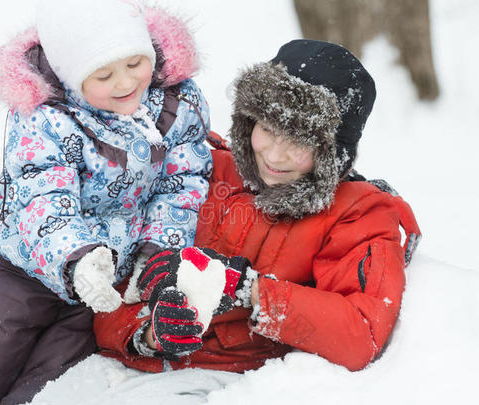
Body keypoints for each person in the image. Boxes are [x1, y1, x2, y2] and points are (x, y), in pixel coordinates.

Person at [0, 1, 211, 403]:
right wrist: (77, 257)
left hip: (101, 279)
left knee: (52, 380)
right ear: (72, 76)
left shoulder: (176, 105)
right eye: (103, 74)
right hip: (22, 268)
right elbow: (44, 195)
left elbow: (182, 182)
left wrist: (156, 251)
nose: (125, 82)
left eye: (136, 62)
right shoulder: (45, 118)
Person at [94, 39, 421, 373]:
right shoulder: (200, 168)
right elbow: (112, 288)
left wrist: (246, 289)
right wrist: (148, 334)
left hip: (236, 380)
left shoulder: (357, 213)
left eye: (300, 141)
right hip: (127, 365)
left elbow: (361, 333)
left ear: (333, 151)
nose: (275, 156)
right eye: (267, 129)